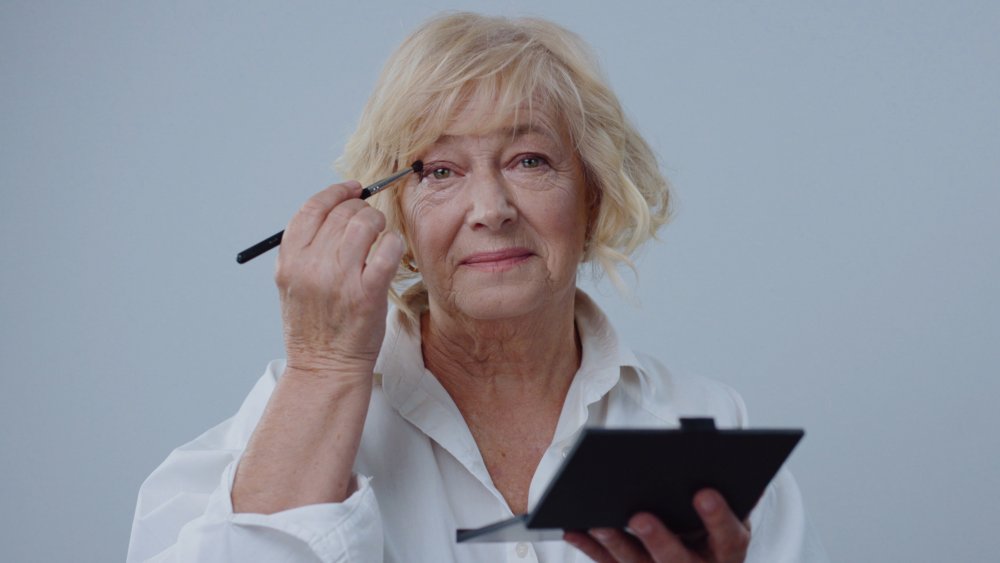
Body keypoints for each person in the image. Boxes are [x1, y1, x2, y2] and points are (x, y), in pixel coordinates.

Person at [127, 12, 826, 563]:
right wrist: (322, 368)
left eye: (529, 159)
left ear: (593, 196)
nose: (490, 208)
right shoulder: (278, 427)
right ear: (392, 211)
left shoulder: (702, 420)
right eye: (440, 171)